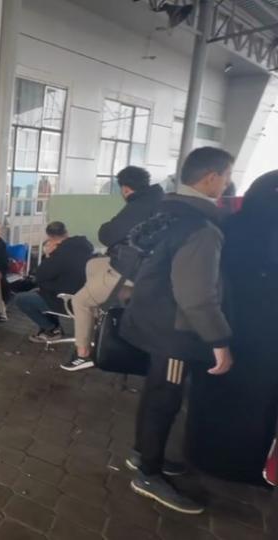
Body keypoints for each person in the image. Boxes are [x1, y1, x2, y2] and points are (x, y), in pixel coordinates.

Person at [120, 147, 235, 514]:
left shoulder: (167, 210)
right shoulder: (201, 227)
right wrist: (219, 341)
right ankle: (148, 475)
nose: (228, 183)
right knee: (164, 400)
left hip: (148, 317)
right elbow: (196, 295)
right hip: (173, 330)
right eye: (227, 175)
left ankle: (142, 455)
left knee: (155, 392)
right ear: (212, 178)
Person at [185, 169, 278, 485]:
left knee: (212, 395)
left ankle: (200, 453)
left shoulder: (227, 225)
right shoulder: (269, 234)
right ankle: (244, 466)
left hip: (220, 329)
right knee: (254, 405)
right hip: (264, 339)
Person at [61, 166, 164, 371]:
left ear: (125, 188)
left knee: (79, 301)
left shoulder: (138, 206)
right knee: (93, 263)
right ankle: (98, 310)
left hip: (130, 270)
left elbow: (107, 235)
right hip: (148, 268)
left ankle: (83, 354)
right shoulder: (158, 199)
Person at [14, 221, 93, 343]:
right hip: (83, 295)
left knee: (21, 299)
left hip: (66, 300)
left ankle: (52, 329)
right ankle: (50, 327)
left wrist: (48, 254)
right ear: (66, 232)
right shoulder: (83, 247)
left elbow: (39, 276)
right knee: (37, 292)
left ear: (50, 237)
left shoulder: (60, 254)